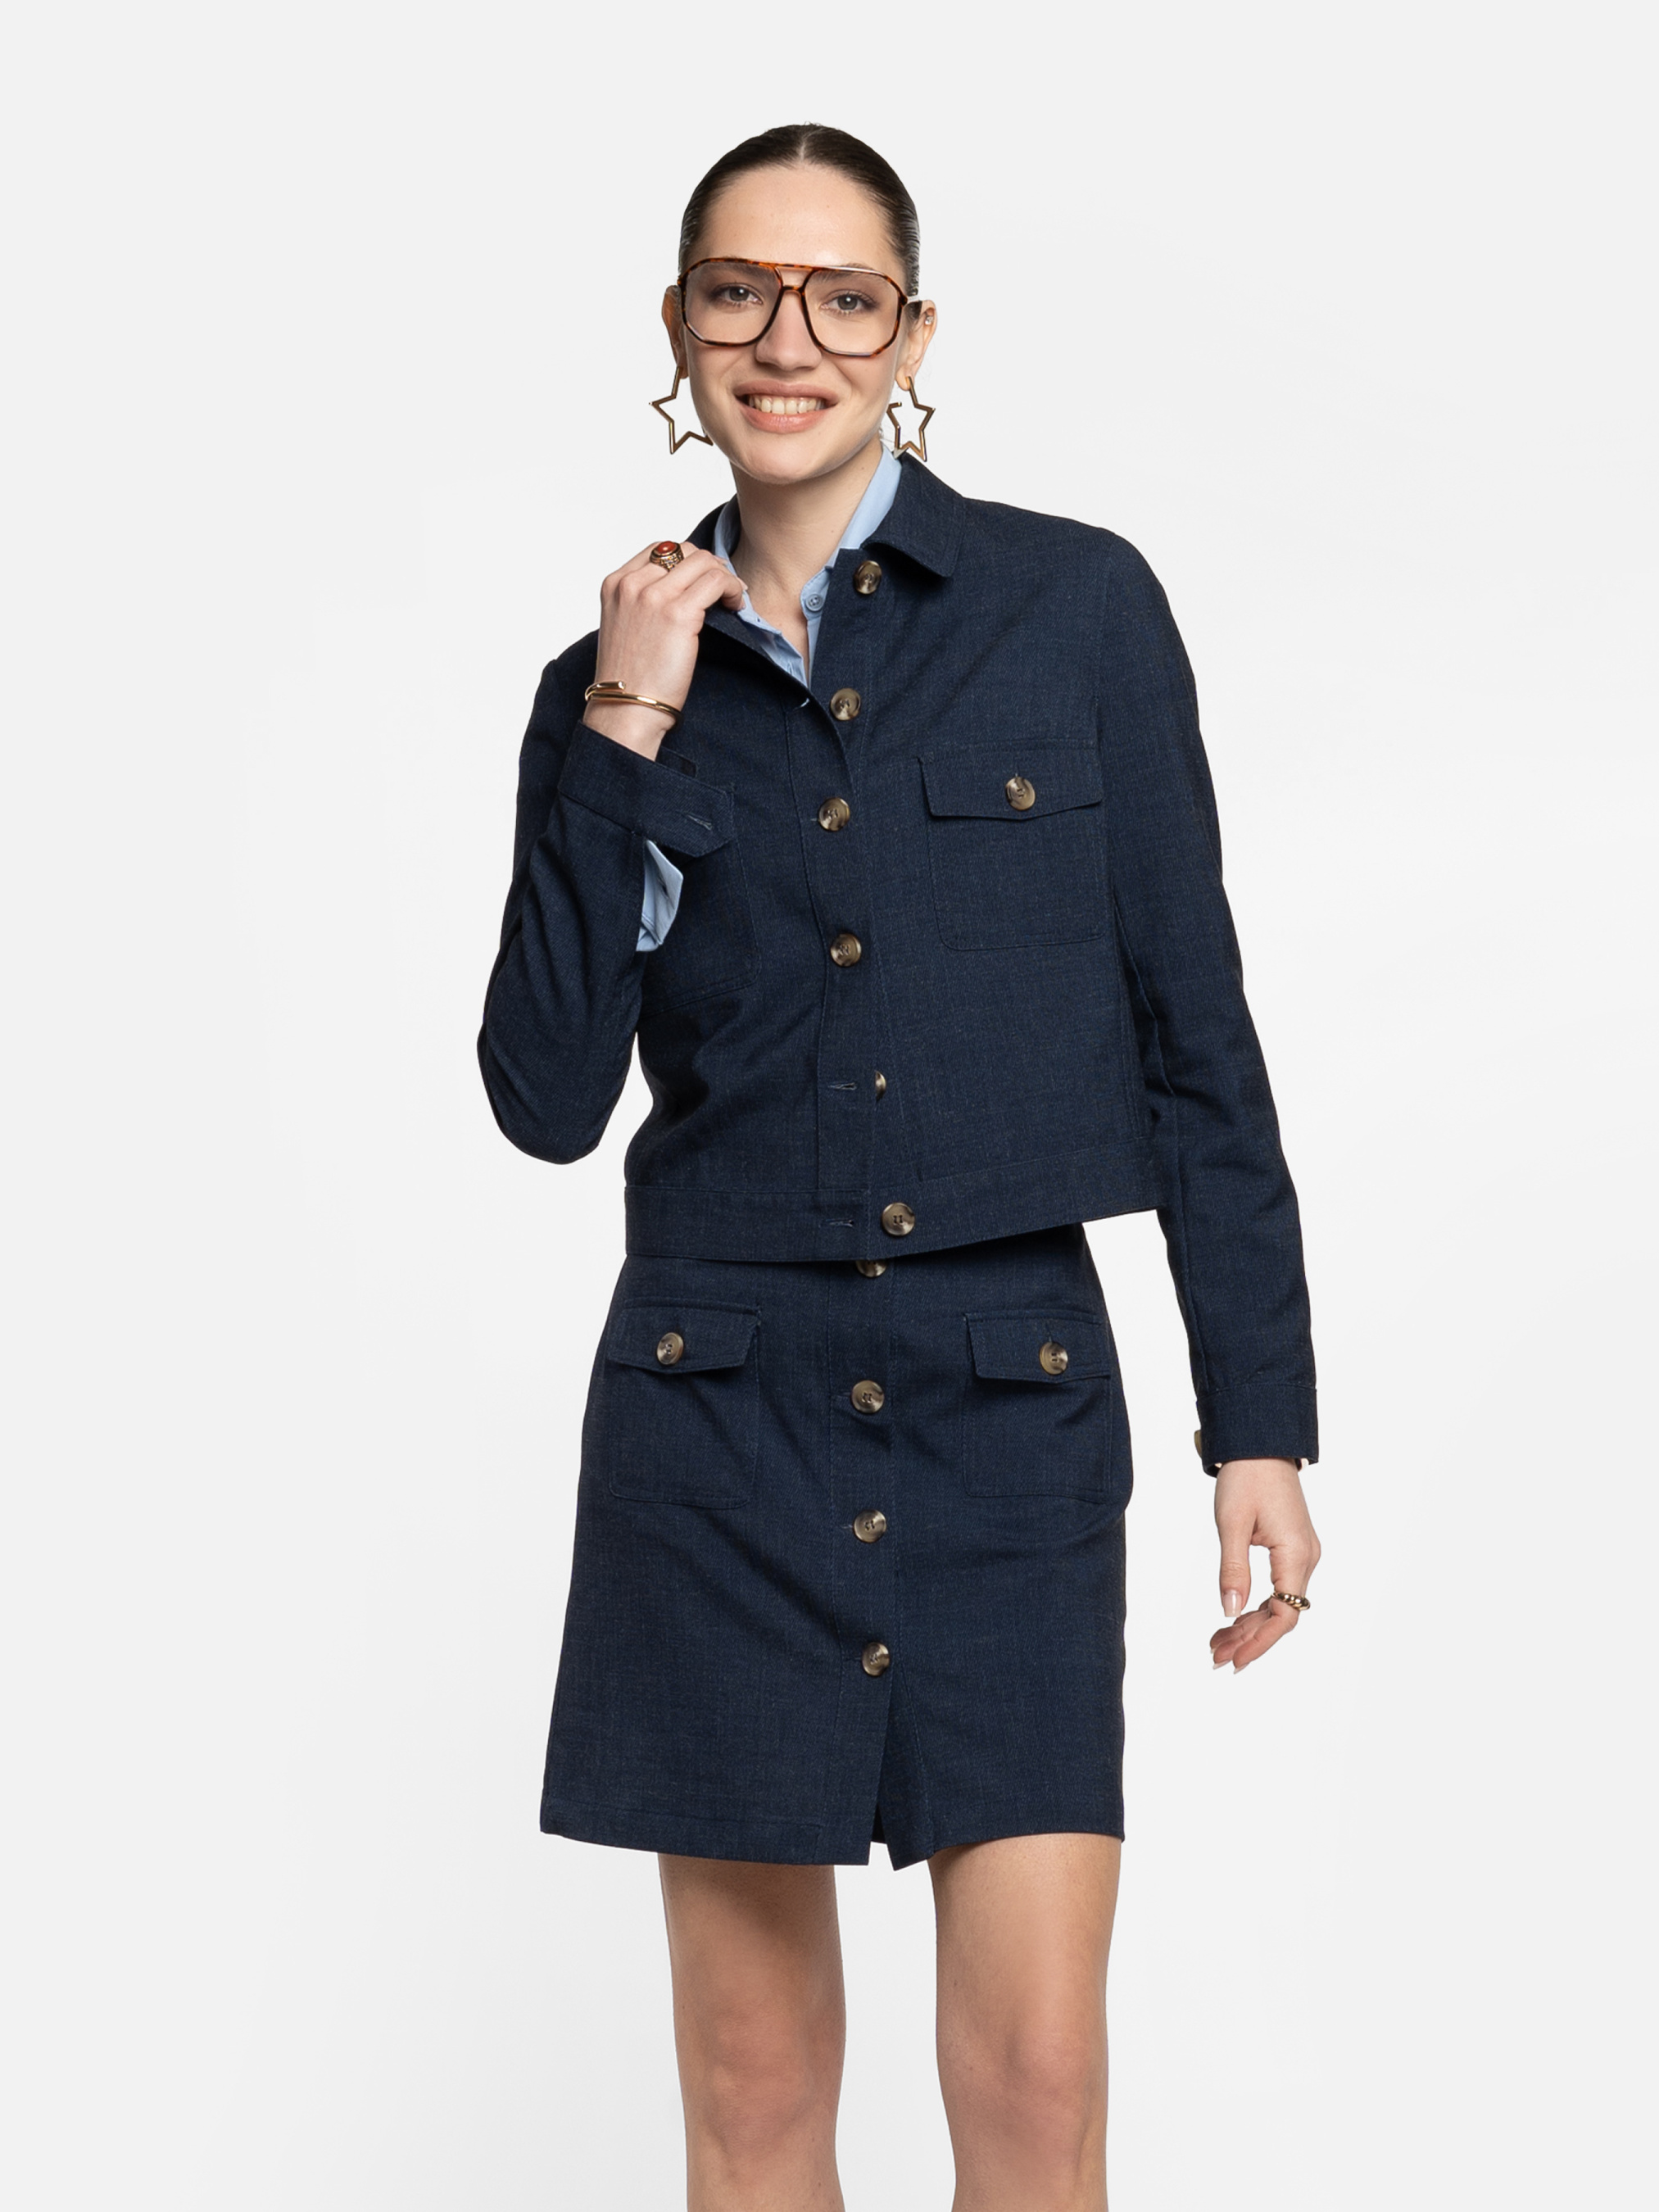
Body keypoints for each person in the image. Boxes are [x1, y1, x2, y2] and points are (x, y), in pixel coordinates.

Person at [479, 120, 1321, 2212]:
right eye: (738, 292)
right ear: (677, 327)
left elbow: (1193, 1033)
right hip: (714, 1416)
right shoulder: (599, 693)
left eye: (840, 298)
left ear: (910, 335)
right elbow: (545, 1093)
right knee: (752, 2089)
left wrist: (1257, 1422)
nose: (788, 341)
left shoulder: (1072, 609)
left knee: (1034, 2083)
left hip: (1004, 1402)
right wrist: (627, 729)